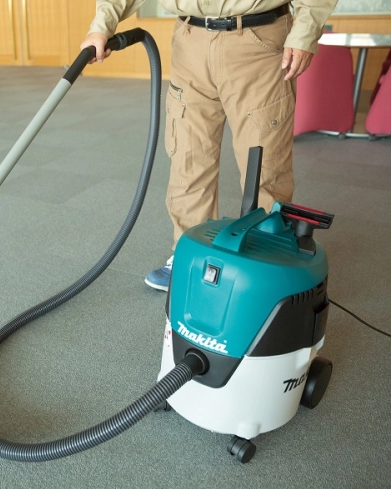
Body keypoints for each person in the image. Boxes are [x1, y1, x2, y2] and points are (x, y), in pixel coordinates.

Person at [80, 0, 338, 291]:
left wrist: (304, 34)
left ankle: (265, 262)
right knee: (188, 156)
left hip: (259, 42)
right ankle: (190, 253)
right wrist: (101, 27)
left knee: (265, 162)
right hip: (190, 41)